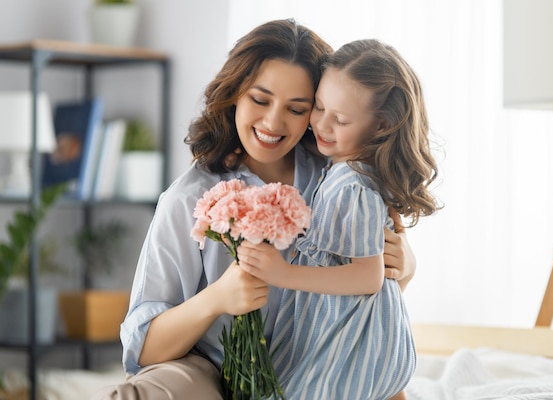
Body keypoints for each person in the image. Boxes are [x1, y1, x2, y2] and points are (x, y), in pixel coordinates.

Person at [92, 20, 416, 400]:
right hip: (207, 369)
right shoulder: (189, 197)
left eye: (297, 109)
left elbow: (368, 296)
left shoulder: (339, 181)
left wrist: (405, 267)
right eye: (260, 101)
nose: (273, 122)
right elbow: (143, 347)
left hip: (311, 368)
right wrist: (216, 299)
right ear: (234, 94)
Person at [237, 38, 439, 400]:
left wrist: (282, 274)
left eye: (340, 119)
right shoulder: (341, 169)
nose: (322, 125)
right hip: (349, 321)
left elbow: (369, 275)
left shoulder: (353, 185)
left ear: (380, 126)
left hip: (348, 326)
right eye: (318, 107)